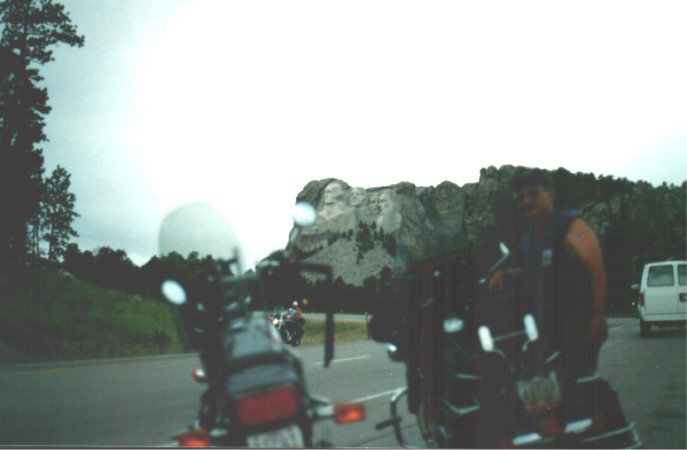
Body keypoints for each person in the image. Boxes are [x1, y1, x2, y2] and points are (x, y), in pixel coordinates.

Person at [489, 168, 608, 375]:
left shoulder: (571, 224)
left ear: (549, 192)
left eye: (533, 194)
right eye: (521, 198)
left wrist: (597, 317)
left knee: (578, 385)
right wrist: (506, 273)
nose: (526, 201)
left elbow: (596, 271)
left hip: (577, 326)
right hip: (547, 330)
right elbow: (534, 272)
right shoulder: (529, 235)